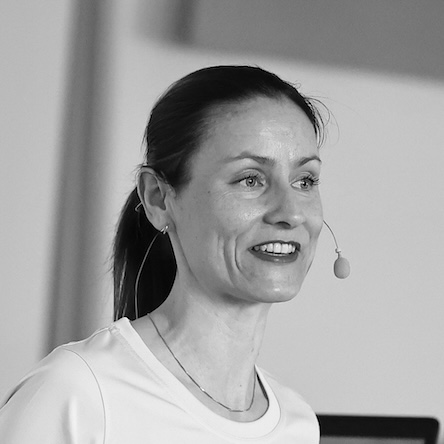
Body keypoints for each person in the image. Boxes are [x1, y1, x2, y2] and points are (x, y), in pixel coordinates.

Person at [0, 65, 327, 443]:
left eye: (305, 181)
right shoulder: (79, 394)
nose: (291, 213)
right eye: (250, 179)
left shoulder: (298, 424)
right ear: (158, 198)